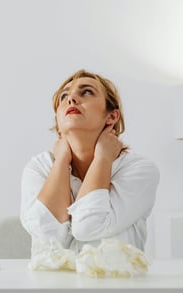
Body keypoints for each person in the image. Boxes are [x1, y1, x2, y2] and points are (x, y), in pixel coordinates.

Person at [20, 69, 159, 252]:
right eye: (64, 96)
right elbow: (47, 236)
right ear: (58, 120)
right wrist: (61, 160)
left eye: (86, 92)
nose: (71, 99)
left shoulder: (139, 170)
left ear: (112, 116)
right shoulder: (39, 167)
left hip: (117, 281)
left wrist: (103, 158)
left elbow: (88, 227)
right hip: (50, 281)